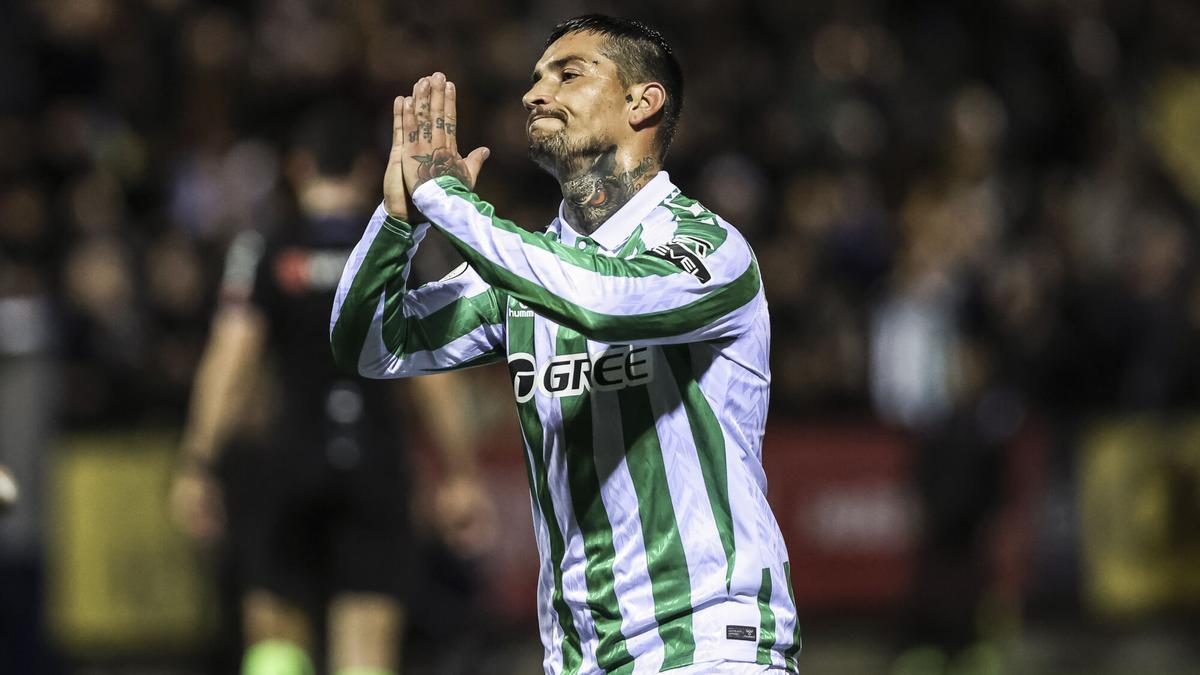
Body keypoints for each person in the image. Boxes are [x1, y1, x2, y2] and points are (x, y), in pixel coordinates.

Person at [331, 15, 800, 674]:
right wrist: (399, 222)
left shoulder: (707, 249)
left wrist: (455, 204)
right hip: (577, 656)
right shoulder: (531, 270)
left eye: (568, 73)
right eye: (534, 78)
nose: (534, 93)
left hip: (707, 641)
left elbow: (602, 302)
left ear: (643, 102)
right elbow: (370, 344)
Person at [170, 104, 492, 675]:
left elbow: (231, 360)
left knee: (274, 636)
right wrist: (460, 473)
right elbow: (434, 375)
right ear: (367, 170)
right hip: (376, 464)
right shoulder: (397, 252)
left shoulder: (265, 248)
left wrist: (198, 461)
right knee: (365, 652)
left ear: (298, 169)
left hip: (287, 462)